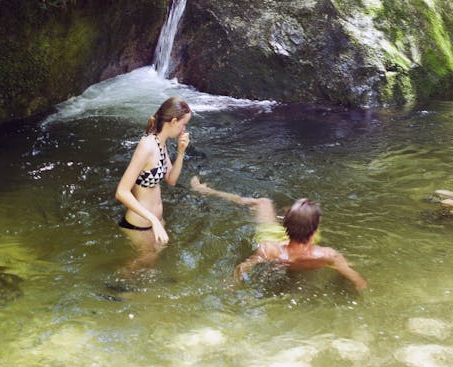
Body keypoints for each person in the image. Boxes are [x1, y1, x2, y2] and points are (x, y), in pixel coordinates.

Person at [190, 176, 366, 290]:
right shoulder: (328, 255)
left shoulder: (270, 250)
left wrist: (232, 284)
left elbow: (242, 269)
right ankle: (299, 216)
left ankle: (205, 190)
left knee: (263, 202)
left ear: (286, 227)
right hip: (301, 242)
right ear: (314, 234)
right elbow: (359, 282)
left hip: (275, 240)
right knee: (309, 211)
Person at [115, 97, 191, 252]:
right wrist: (153, 220)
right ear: (174, 121)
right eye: (184, 124)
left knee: (153, 264)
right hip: (139, 224)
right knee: (141, 266)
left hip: (154, 221)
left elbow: (171, 179)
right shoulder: (147, 146)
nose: (184, 129)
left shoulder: (160, 143)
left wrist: (181, 153)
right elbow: (121, 192)